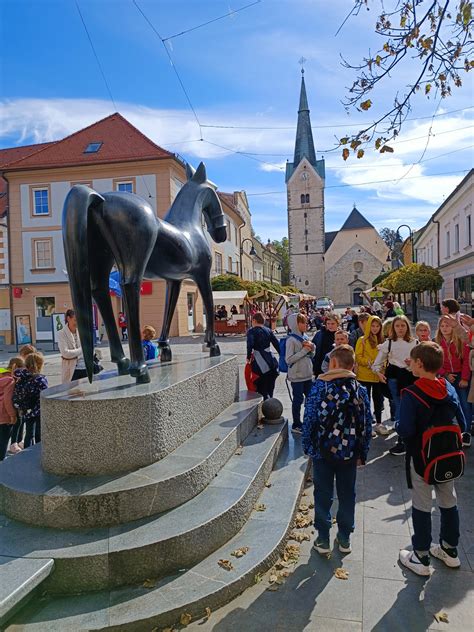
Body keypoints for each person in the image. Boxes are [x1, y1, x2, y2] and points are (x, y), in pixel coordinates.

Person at [398, 342, 466, 576]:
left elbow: (405, 429)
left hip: (422, 456)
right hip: (448, 454)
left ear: (418, 364)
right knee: (449, 500)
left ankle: (421, 555)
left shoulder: (412, 393)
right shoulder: (448, 387)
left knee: (422, 503)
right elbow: (462, 421)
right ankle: (450, 549)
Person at [303, 345, 373, 555]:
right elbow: (366, 423)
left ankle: (323, 538)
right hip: (349, 452)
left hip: (323, 451)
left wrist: (308, 446)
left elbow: (309, 419)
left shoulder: (319, 387)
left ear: (332, 363)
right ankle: (344, 538)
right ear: (352, 365)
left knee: (322, 493)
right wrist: (363, 452)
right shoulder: (359, 389)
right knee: (347, 494)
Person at [372, 315, 418, 456]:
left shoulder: (415, 342)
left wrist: (412, 365)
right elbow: (376, 364)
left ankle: (408, 437)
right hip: (394, 379)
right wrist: (379, 374)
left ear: (407, 327)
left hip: (410, 378)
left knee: (409, 407)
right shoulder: (389, 343)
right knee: (399, 406)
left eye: (403, 326)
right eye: (397, 326)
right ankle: (402, 440)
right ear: (393, 328)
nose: (400, 329)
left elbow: (420, 363)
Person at [435, 316, 472, 447]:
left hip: (461, 375)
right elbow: (436, 362)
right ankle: (452, 430)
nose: (445, 328)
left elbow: (467, 360)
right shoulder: (436, 343)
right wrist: (445, 374)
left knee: (464, 404)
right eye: (442, 326)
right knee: (449, 405)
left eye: (448, 325)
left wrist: (464, 378)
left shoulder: (461, 341)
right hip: (446, 377)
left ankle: (466, 431)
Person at [355, 315, 390, 436]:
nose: (375, 328)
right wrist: (367, 363)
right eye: (373, 326)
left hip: (378, 375)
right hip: (365, 375)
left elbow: (386, 355)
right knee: (366, 400)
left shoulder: (383, 340)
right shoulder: (362, 340)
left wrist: (383, 365)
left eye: (377, 326)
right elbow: (358, 356)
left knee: (378, 400)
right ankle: (367, 424)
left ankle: (379, 423)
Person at [285, 313, 315, 434]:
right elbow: (289, 359)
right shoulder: (291, 340)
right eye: (302, 322)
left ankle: (308, 421)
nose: (305, 324)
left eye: (306, 322)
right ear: (295, 324)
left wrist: (312, 348)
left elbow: (311, 355)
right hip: (297, 376)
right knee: (297, 400)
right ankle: (296, 424)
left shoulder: (306, 337)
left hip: (308, 374)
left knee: (311, 399)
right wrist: (304, 350)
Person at [13, 353, 48, 449]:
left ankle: (26, 453)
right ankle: (38, 453)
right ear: (40, 365)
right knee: (39, 434)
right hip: (38, 411)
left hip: (25, 410)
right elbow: (44, 397)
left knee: (28, 434)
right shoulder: (40, 380)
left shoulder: (20, 377)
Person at [246, 312, 280, 400]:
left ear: (254, 320)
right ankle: (271, 405)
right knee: (270, 387)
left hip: (259, 363)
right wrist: (282, 355)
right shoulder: (268, 330)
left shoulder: (251, 331)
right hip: (271, 362)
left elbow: (250, 344)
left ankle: (265, 406)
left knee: (261, 388)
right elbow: (277, 344)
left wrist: (248, 357)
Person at [0, 357, 24, 460]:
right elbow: (7, 399)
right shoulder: (10, 380)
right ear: (17, 368)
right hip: (4, 414)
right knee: (3, 442)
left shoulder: (1, 375)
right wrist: (12, 415)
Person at [57, 309, 86, 382]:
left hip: (85, 368)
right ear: (68, 318)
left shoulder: (82, 331)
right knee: (71, 392)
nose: (78, 322)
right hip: (71, 370)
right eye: (75, 320)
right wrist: (82, 350)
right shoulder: (62, 333)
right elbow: (65, 353)